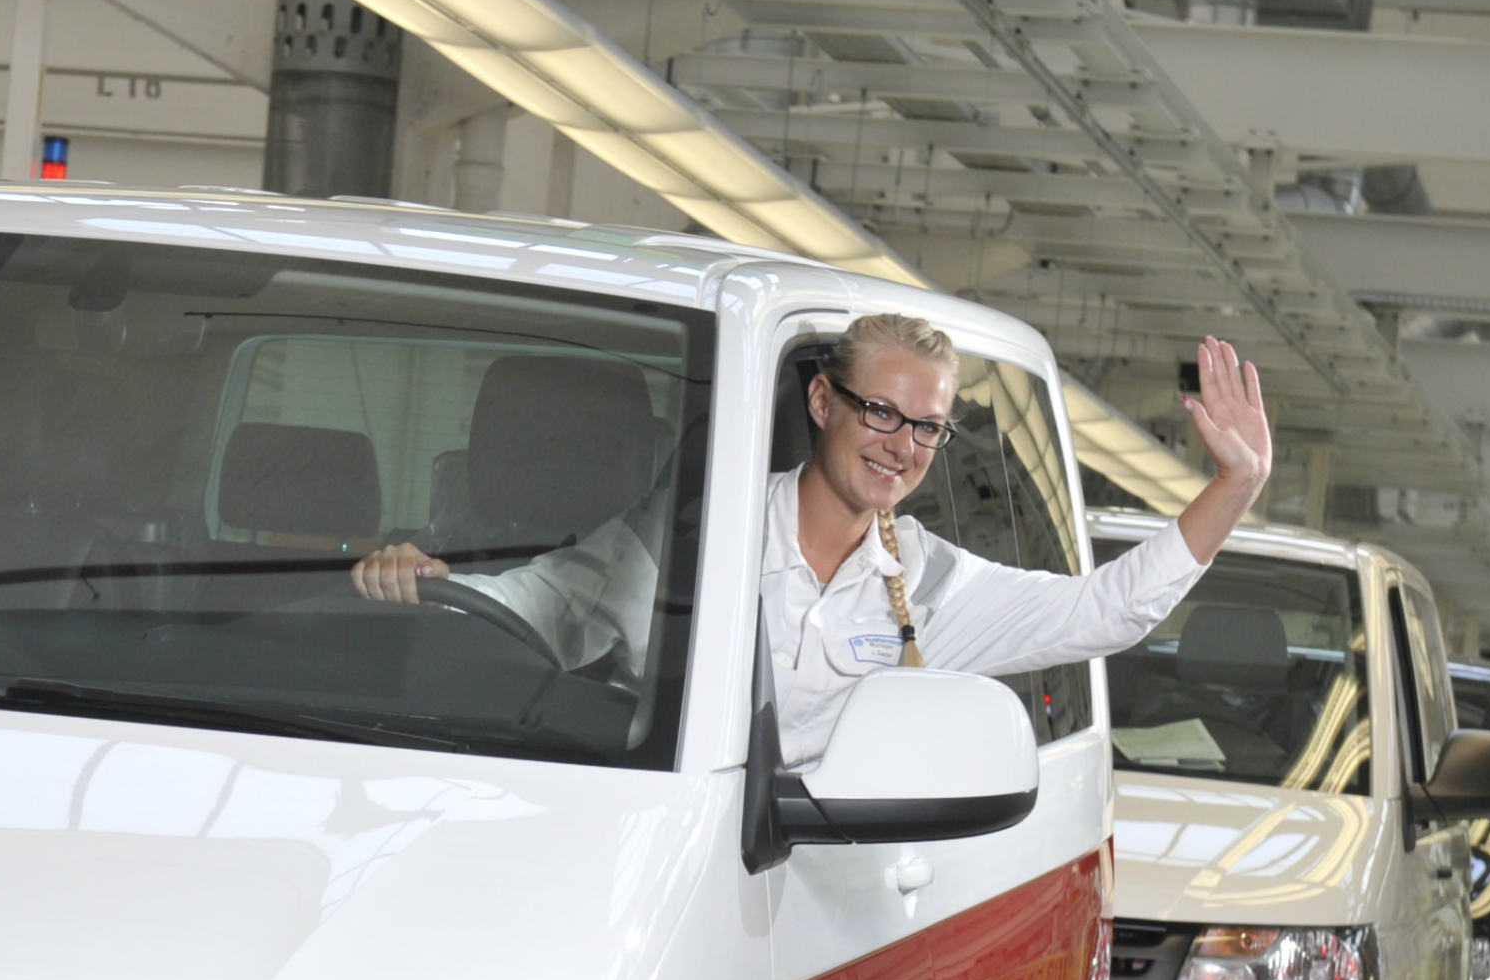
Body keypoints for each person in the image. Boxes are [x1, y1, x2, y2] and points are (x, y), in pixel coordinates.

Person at [351, 315, 1282, 766]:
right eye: (882, 411)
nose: (902, 445)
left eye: (927, 427)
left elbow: (1105, 610)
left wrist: (1235, 485)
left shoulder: (930, 584)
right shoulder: (703, 531)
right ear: (823, 402)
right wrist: (426, 580)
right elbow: (548, 601)